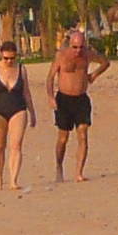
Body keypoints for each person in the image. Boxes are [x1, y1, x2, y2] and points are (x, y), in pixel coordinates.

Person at [48, 25, 105, 181]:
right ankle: (59, 167)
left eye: (80, 47)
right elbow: (50, 77)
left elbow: (105, 62)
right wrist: (50, 97)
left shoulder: (87, 55)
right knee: (63, 138)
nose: (77, 51)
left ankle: (79, 173)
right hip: (64, 99)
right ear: (69, 44)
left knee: (83, 135)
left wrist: (94, 74)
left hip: (81, 98)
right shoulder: (61, 56)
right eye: (75, 47)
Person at [0, 42, 33, 191]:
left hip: (18, 109)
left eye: (12, 58)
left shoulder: (21, 69)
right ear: (1, 55)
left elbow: (27, 93)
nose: (9, 61)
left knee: (16, 146)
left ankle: (13, 180)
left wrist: (32, 113)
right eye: (6, 58)